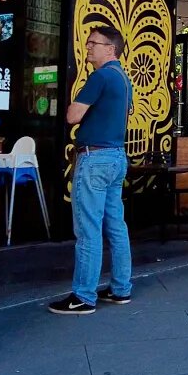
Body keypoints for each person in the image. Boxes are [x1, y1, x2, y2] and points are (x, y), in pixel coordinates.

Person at [49, 26, 133, 315]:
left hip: (94, 158)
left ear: (110, 49)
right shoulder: (123, 79)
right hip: (116, 157)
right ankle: (121, 288)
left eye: (94, 43)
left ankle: (83, 296)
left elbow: (73, 115)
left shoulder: (100, 77)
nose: (88, 48)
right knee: (115, 226)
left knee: (88, 229)